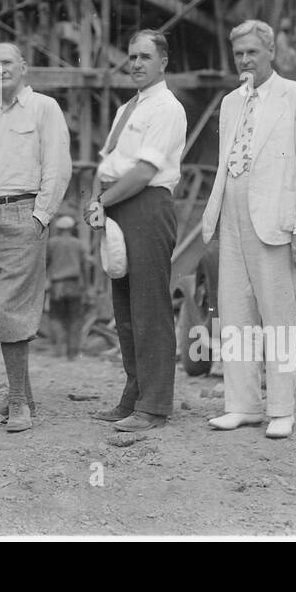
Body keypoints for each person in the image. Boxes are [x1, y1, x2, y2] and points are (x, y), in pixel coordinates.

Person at [201, 20, 296, 439]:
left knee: (279, 320)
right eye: (238, 54)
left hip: (275, 222)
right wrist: (215, 218)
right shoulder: (231, 102)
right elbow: (225, 162)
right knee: (234, 314)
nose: (245, 60)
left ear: (270, 51)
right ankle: (242, 404)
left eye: (252, 52)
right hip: (233, 219)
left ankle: (282, 408)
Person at [0, 42, 71, 432]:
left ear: (23, 66)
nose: (0, 69)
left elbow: (58, 167)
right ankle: (21, 396)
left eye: (7, 62)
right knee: (0, 309)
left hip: (22, 214)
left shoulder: (44, 108)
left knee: (12, 310)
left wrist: (40, 217)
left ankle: (18, 404)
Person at [85, 30, 186, 432]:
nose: (136, 63)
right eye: (131, 56)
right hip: (116, 204)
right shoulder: (128, 107)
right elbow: (107, 162)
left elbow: (144, 171)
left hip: (146, 205)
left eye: (146, 56)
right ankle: (134, 394)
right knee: (124, 309)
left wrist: (103, 202)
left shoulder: (166, 107)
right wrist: (97, 200)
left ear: (163, 61)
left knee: (150, 308)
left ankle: (155, 406)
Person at [45, 214, 90, 360]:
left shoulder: (51, 243)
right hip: (74, 284)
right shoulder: (78, 244)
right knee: (75, 319)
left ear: (58, 228)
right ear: (72, 228)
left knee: (56, 317)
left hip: (57, 286)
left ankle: (58, 350)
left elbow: (45, 263)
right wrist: (87, 286)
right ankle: (72, 353)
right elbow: (85, 267)